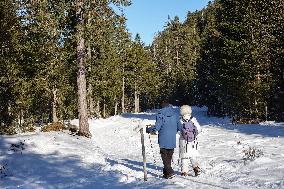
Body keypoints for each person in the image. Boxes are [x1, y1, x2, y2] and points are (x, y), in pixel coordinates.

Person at [146, 101, 180, 179]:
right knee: (169, 156)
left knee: (164, 156)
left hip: (163, 138)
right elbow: (179, 127)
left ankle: (170, 171)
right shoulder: (175, 115)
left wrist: (149, 129)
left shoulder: (160, 115)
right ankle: (166, 174)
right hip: (172, 138)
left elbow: (157, 127)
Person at [178, 105, 202, 177]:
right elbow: (199, 129)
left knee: (184, 156)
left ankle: (184, 172)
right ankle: (196, 167)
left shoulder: (180, 120)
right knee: (192, 155)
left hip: (183, 141)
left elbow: (178, 131)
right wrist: (193, 135)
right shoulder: (193, 119)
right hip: (193, 141)